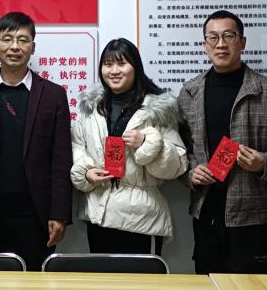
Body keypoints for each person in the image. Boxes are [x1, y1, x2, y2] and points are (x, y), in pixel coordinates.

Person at [177, 9, 267, 274]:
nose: (220, 44)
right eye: (213, 37)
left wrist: (263, 163)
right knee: (208, 282)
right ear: (205, 45)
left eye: (229, 36)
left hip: (253, 215)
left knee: (251, 286)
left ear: (242, 42)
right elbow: (179, 150)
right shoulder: (189, 92)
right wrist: (190, 172)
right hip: (207, 211)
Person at [0, 11, 73, 271]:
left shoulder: (53, 95)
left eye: (23, 39)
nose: (15, 46)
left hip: (37, 215)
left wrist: (60, 214)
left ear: (33, 47)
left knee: (36, 282)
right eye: (7, 39)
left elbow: (61, 160)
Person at [71, 38, 188, 254]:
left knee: (142, 276)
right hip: (99, 215)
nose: (114, 71)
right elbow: (76, 146)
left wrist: (147, 143)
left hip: (142, 217)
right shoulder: (90, 108)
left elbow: (178, 164)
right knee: (101, 276)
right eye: (108, 64)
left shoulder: (157, 109)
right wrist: (86, 172)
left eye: (122, 63)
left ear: (136, 67)